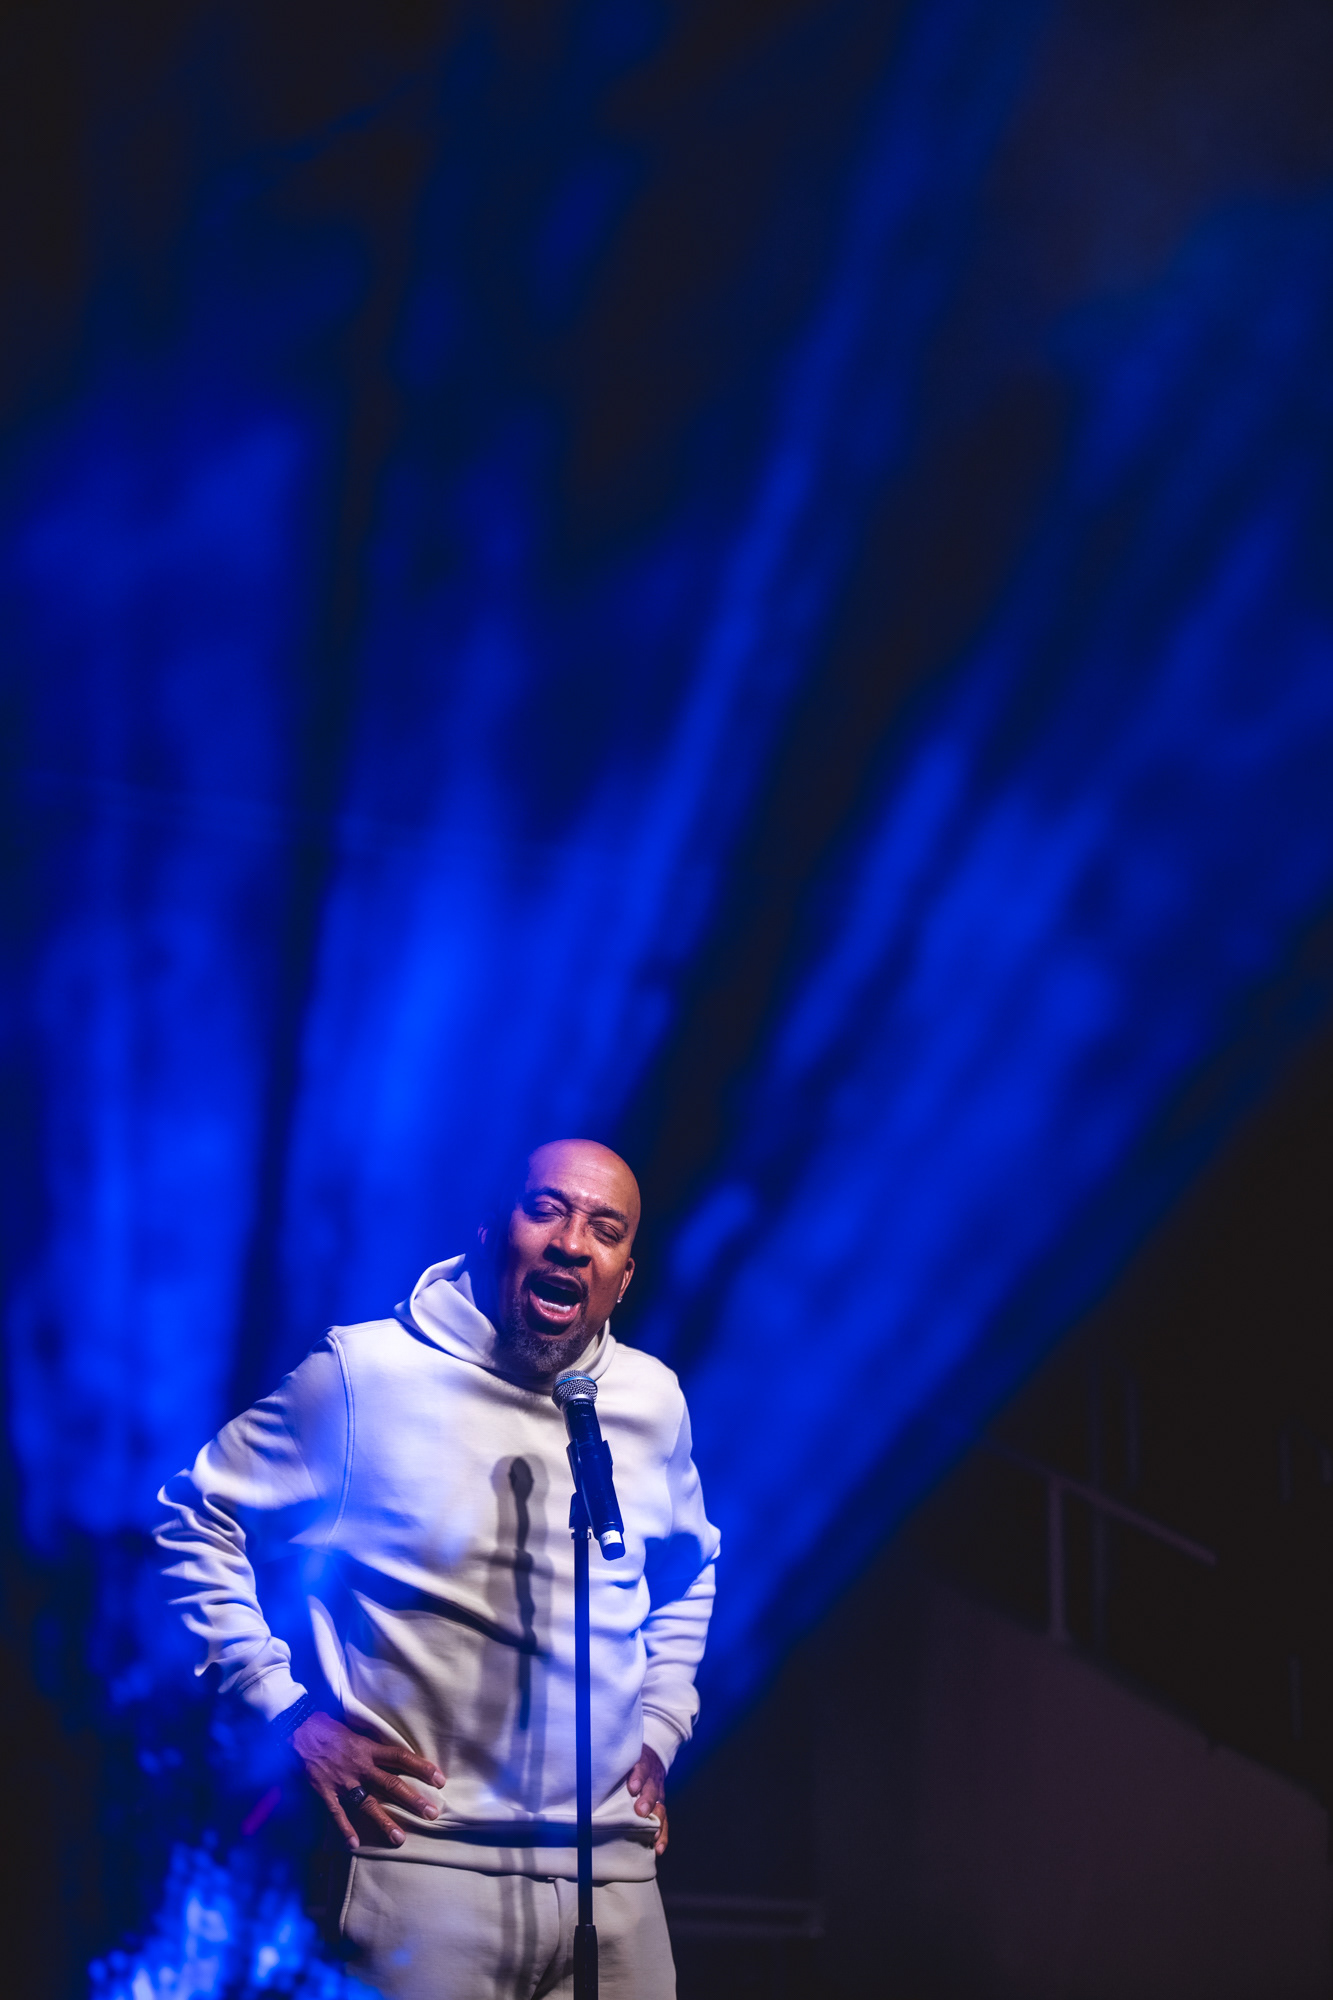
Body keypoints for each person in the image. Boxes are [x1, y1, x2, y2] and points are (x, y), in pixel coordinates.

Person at [155, 1139, 718, 2000]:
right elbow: (195, 1517)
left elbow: (687, 1571)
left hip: (616, 1878)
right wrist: (283, 1707)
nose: (573, 1244)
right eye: (547, 1210)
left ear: (624, 1275)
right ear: (492, 1229)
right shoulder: (365, 1375)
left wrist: (662, 1722)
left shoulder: (650, 1399)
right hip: (421, 1869)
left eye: (605, 1230)